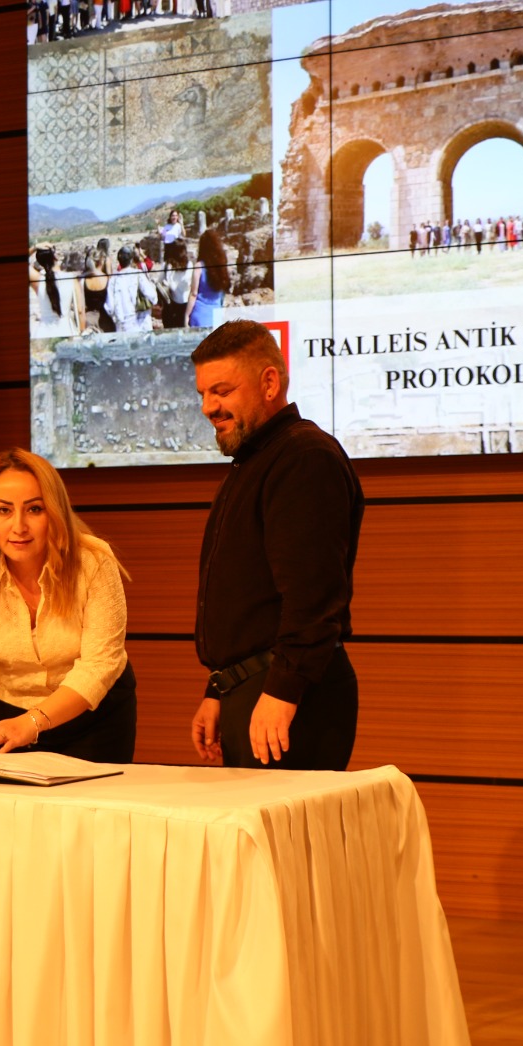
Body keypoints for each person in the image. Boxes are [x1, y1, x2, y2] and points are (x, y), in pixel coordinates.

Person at [187, 320, 365, 770]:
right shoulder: (254, 461)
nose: (208, 407)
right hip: (252, 689)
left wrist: (283, 690)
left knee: (284, 822)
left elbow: (312, 596)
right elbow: (249, 601)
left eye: (222, 391)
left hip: (289, 696)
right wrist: (218, 688)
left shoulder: (304, 458)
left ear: (269, 383)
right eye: (203, 393)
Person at [0, 448, 136, 761]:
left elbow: (99, 666)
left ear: (54, 512)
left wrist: (30, 723)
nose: (19, 526)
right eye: (4, 510)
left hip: (92, 718)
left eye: (34, 509)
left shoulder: (94, 563)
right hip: (7, 719)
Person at [29, 244, 81, 337]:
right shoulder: (71, 278)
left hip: (43, 332)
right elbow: (80, 311)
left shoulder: (37, 280)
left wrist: (35, 247)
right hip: (66, 329)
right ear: (55, 257)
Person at [104, 245, 156, 332]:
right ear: (131, 260)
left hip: (122, 326)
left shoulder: (113, 280)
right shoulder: (138, 275)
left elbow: (110, 308)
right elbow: (152, 296)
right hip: (141, 324)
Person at [188, 228, 231, 328]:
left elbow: (193, 294)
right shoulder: (222, 267)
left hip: (199, 314)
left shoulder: (199, 266)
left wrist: (186, 315)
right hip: (217, 315)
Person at [159, 240, 192, 328]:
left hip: (170, 305)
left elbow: (159, 282)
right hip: (186, 304)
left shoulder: (166, 265)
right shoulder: (190, 265)